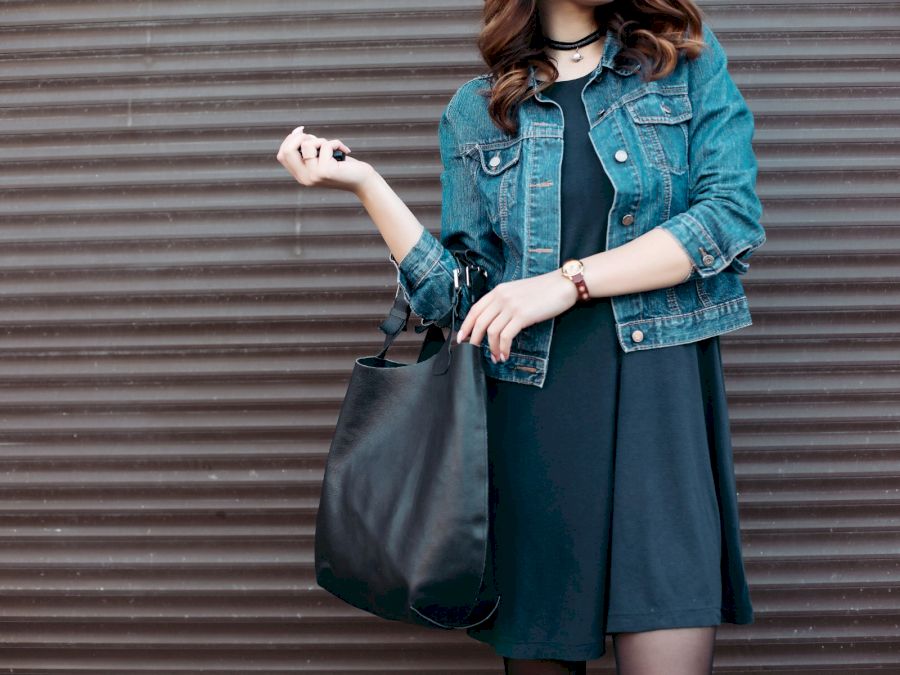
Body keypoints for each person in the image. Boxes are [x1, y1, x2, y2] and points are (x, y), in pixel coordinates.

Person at [277, 0, 765, 673]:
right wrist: (366, 185)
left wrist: (570, 281)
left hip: (662, 406)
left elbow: (728, 220)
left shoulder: (683, 68)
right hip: (534, 421)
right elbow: (460, 302)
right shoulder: (478, 111)